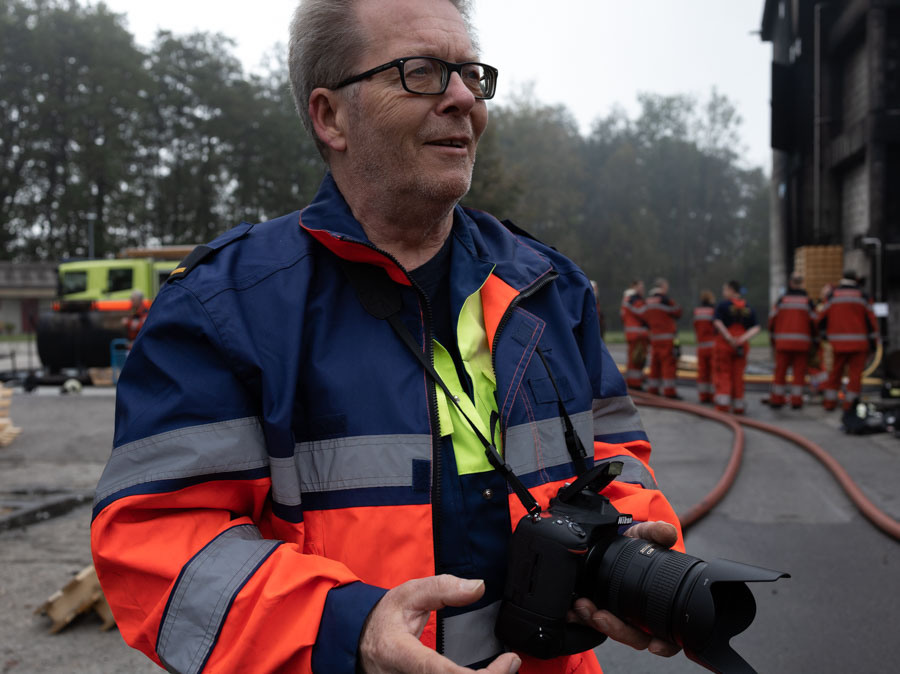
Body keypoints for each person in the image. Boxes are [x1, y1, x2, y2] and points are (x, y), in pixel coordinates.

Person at [90, 2, 684, 673]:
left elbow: (615, 454)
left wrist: (630, 552)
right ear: (330, 116)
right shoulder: (222, 308)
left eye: (469, 74)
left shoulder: (549, 288)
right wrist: (351, 631)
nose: (462, 99)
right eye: (422, 73)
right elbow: (156, 540)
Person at [817, 270, 879, 411]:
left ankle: (829, 403)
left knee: (835, 374)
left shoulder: (833, 295)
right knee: (855, 376)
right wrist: (873, 343)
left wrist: (824, 336)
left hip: (837, 344)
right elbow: (871, 322)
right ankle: (850, 405)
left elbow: (822, 318)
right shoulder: (863, 295)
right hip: (859, 344)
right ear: (856, 279)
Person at [766, 273, 816, 409]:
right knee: (799, 374)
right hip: (802, 344)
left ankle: (777, 400)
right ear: (802, 283)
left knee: (780, 372)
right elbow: (814, 322)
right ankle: (796, 401)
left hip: (783, 343)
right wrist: (815, 341)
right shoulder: (807, 301)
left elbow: (771, 320)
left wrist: (772, 339)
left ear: (790, 283)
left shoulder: (782, 300)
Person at [712, 281, 760, 414]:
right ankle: (739, 405)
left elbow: (717, 322)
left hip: (725, 345)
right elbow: (756, 328)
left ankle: (723, 404)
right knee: (738, 375)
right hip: (741, 346)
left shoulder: (723, 305)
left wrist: (729, 338)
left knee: (723, 374)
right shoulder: (748, 308)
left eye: (724, 290)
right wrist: (742, 339)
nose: (723, 293)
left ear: (731, 290)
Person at [643, 278, 682, 398]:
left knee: (655, 364)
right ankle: (669, 391)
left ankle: (653, 388)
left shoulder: (648, 301)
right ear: (663, 287)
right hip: (667, 338)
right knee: (668, 364)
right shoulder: (665, 300)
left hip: (654, 338)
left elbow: (644, 317)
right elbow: (678, 312)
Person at [620, 279, 648, 389]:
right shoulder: (633, 299)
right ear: (634, 287)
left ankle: (634, 380)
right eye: (641, 287)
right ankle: (635, 383)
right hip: (637, 334)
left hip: (633, 334)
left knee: (634, 359)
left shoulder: (627, 299)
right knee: (636, 360)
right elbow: (643, 313)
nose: (643, 290)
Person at [692, 290, 716, 404]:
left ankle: (703, 396)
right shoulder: (713, 311)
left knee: (702, 372)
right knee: (713, 372)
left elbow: (695, 327)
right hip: (712, 346)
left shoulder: (697, 311)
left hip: (701, 346)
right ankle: (712, 395)